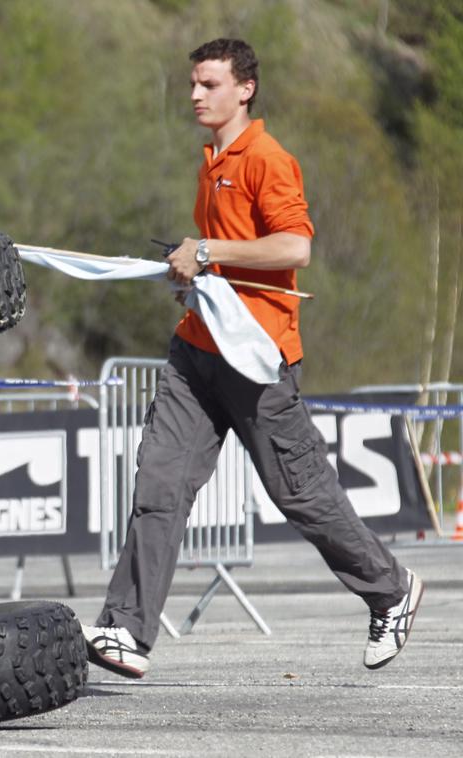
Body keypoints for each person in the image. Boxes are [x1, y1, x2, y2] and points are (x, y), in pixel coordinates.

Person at [82, 38, 424, 679]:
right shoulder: (210, 160)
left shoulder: (268, 159)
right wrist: (193, 275)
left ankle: (390, 589)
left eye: (208, 84)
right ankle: (126, 630)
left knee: (303, 497)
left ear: (245, 89)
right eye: (192, 83)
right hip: (195, 352)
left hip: (258, 360)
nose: (194, 95)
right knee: (159, 484)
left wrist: (207, 252)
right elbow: (224, 255)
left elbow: (295, 248)